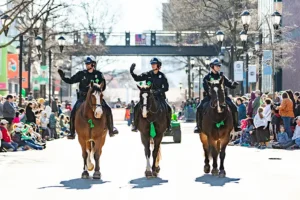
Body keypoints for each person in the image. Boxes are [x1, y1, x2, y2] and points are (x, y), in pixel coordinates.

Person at [58, 55, 118, 139]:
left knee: (108, 109)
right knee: (73, 111)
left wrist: (97, 87)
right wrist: (63, 78)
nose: (87, 65)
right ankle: (72, 132)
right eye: (86, 64)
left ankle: (111, 129)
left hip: (96, 97)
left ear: (93, 64)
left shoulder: (99, 74)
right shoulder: (81, 74)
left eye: (88, 63)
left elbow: (103, 87)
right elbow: (71, 80)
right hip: (83, 98)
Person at [194, 58, 240, 133]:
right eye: (217, 66)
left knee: (234, 107)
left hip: (222, 97)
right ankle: (198, 126)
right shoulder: (207, 77)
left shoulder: (222, 76)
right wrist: (213, 94)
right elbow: (206, 88)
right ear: (212, 66)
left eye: (219, 66)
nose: (219, 67)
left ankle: (236, 125)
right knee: (199, 108)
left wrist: (233, 84)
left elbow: (229, 84)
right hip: (210, 97)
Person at [130, 57, 172, 132]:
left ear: (158, 65)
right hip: (148, 96)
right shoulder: (148, 74)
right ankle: (135, 125)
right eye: (152, 64)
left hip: (159, 97)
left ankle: (168, 126)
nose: (152, 65)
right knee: (136, 107)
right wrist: (132, 72)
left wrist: (158, 91)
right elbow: (137, 78)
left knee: (168, 108)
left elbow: (166, 88)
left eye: (154, 64)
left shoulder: (162, 76)